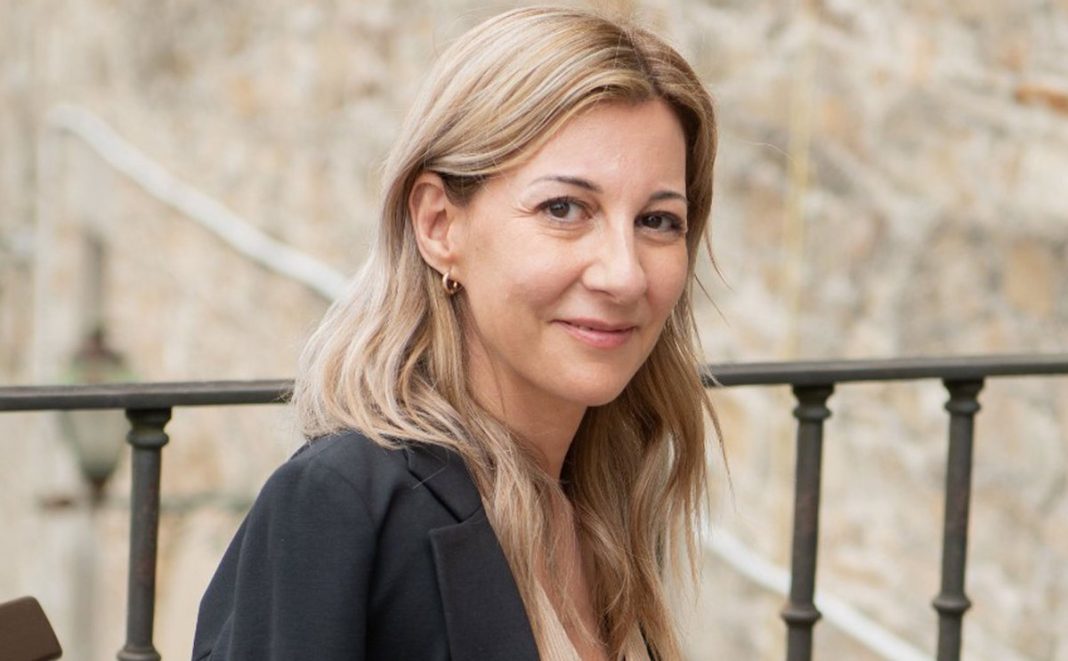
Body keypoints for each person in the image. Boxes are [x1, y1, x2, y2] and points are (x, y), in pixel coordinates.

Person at [193, 6, 719, 660]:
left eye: (658, 221)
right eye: (564, 209)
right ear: (439, 225)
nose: (624, 274)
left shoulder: (606, 509)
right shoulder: (342, 502)